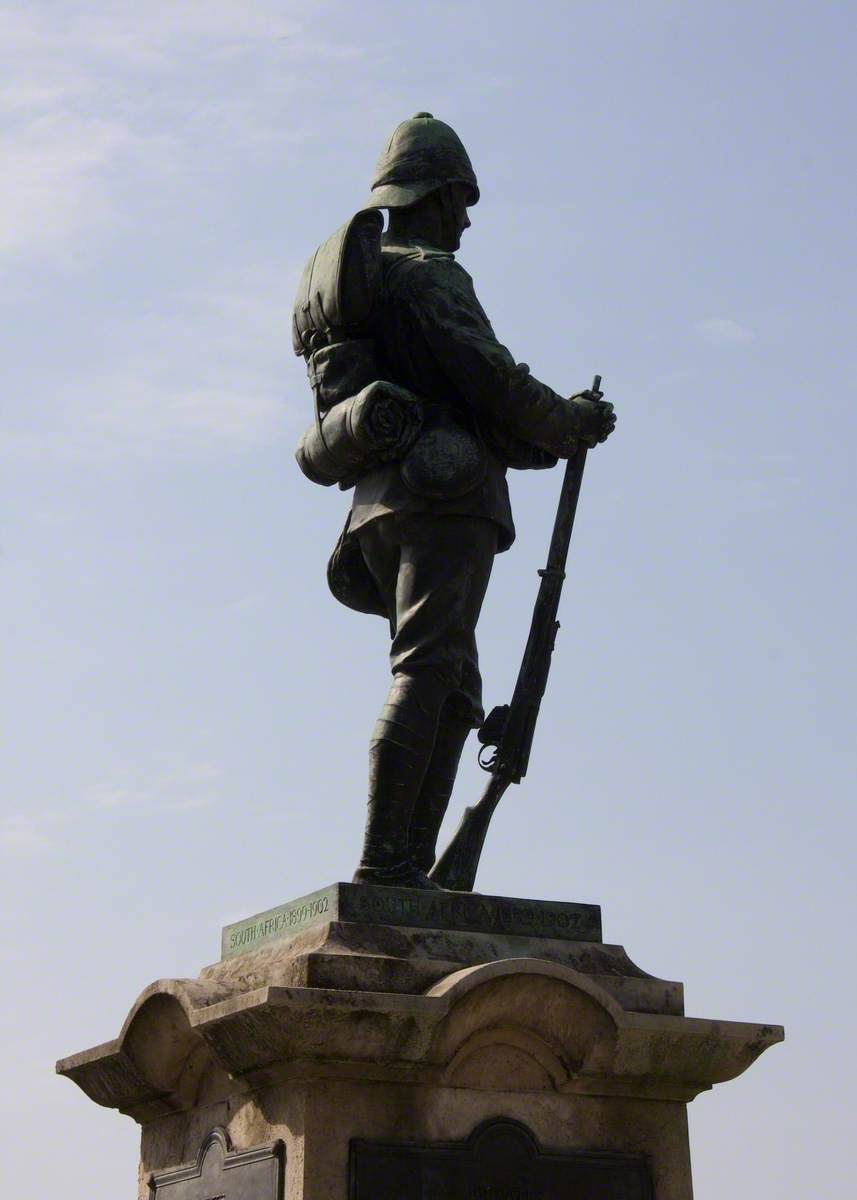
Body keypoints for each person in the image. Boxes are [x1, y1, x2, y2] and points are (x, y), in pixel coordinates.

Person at [344, 113, 615, 888]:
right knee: (429, 668)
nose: (464, 219)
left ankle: (412, 868)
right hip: (443, 498)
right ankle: (382, 865)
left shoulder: (379, 277)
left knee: (455, 686)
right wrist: (569, 422)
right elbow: (490, 379)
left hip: (387, 501)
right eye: (459, 201)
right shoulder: (426, 272)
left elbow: (477, 405)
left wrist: (550, 437)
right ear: (432, 197)